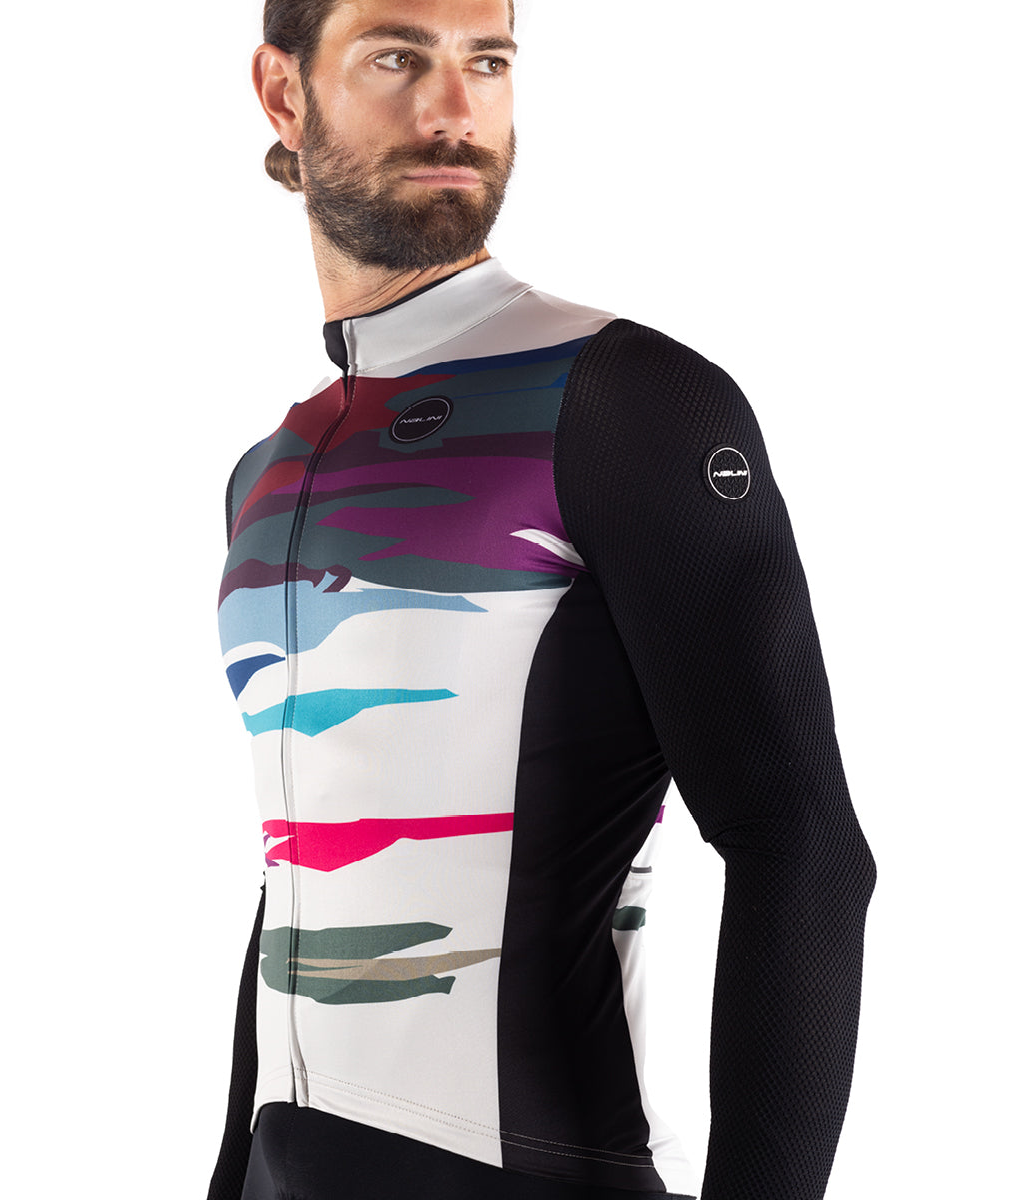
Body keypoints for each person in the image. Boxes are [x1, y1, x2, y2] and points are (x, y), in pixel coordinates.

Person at [207, 1, 876, 1197]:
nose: (453, 107)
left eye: (489, 60)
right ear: (284, 93)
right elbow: (297, 876)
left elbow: (803, 849)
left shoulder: (624, 401)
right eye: (398, 55)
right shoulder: (265, 475)